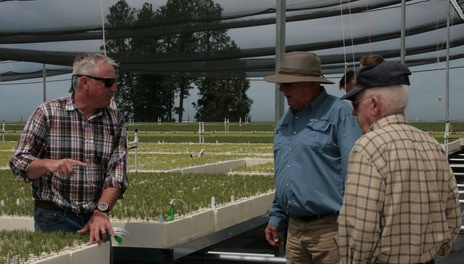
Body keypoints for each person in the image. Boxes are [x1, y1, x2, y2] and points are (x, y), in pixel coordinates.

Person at [338, 61, 461, 264]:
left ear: (375, 105)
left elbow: (360, 229)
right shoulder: (430, 143)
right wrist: (433, 251)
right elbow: (453, 216)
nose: (354, 112)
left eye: (356, 104)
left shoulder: (368, 147)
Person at [10, 53, 129, 246]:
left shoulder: (114, 121)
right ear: (85, 82)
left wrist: (101, 211)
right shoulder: (48, 113)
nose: (114, 89)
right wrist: (49, 164)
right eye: (108, 83)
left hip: (96, 219)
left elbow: (117, 175)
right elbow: (19, 162)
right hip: (54, 217)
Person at [263, 51, 363, 264]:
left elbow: (356, 173)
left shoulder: (339, 114)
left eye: (287, 84)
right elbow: (285, 173)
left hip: (329, 230)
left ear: (310, 83)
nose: (281, 89)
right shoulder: (287, 120)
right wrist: (276, 217)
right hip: (295, 230)